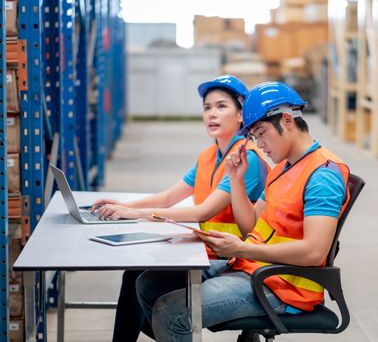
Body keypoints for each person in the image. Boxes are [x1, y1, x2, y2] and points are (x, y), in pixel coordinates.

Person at [136, 82, 351, 341]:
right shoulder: (284, 168)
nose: (259, 145)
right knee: (148, 285)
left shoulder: (322, 176)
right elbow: (251, 228)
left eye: (261, 133)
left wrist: (242, 249)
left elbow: (314, 251)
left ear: (287, 120)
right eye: (255, 137)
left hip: (283, 285)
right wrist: (236, 180)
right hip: (254, 267)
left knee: (172, 313)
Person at [93, 75, 269, 342]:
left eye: (222, 107)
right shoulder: (209, 156)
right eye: (207, 107)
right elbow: (168, 198)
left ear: (241, 115)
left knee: (140, 286)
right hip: (204, 249)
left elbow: (202, 213)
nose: (212, 114)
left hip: (232, 255)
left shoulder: (247, 160)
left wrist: (136, 214)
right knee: (135, 278)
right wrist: (123, 206)